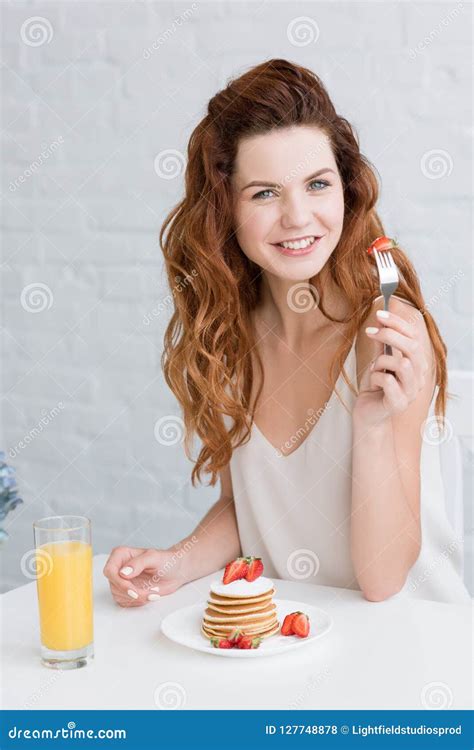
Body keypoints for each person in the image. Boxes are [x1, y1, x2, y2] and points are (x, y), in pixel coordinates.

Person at [103, 59, 470, 607]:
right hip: (293, 643)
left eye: (317, 184)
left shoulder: (386, 333)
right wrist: (176, 563)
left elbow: (383, 579)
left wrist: (370, 426)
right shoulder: (225, 337)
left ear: (346, 189)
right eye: (265, 193)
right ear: (224, 208)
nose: (298, 217)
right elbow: (247, 508)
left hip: (409, 649)